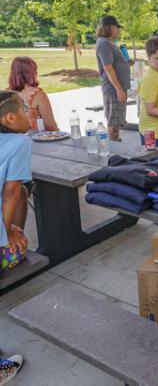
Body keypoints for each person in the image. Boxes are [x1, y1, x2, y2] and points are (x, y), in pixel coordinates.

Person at [0, 90, 32, 385]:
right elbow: (10, 192)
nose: (30, 111)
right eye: (25, 108)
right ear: (10, 118)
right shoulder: (20, 141)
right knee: (17, 253)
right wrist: (8, 233)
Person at [95, 15, 134, 141]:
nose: (118, 30)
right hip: (113, 90)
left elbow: (114, 64)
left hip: (117, 89)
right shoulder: (104, 43)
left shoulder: (109, 43)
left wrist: (127, 63)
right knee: (113, 122)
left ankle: (116, 143)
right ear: (109, 27)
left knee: (117, 121)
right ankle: (113, 147)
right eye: (116, 27)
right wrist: (118, 89)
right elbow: (108, 68)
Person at [8, 57, 58, 131]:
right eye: (35, 71)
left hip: (8, 140)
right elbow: (51, 126)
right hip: (33, 140)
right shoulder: (38, 95)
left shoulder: (4, 95)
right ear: (32, 74)